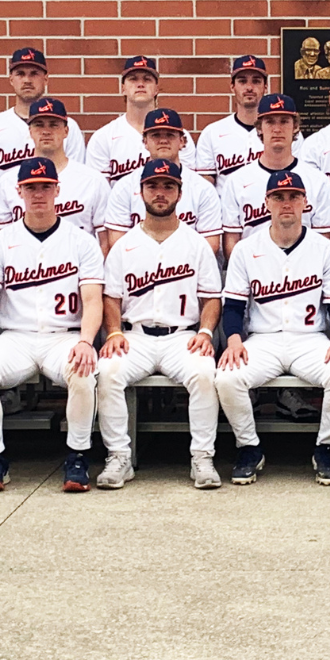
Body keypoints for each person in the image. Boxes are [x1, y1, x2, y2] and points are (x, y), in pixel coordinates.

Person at [0, 157, 106, 493]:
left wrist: (87, 341)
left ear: (57, 190)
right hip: (16, 337)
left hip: (64, 336)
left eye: (45, 186)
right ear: (19, 192)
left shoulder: (81, 240)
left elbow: (92, 300)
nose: (38, 193)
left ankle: (77, 455)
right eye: (31, 187)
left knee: (84, 370)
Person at [215, 170, 330, 485]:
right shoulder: (245, 249)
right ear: (267, 203)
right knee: (226, 378)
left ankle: (326, 447)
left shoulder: (325, 248)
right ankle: (249, 447)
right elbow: (234, 306)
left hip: (309, 340)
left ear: (305, 202)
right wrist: (235, 341)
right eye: (279, 197)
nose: (286, 203)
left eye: (294, 196)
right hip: (263, 341)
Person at [94, 159, 224, 489]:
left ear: (180, 192)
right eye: (153, 186)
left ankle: (202, 457)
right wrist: (113, 332)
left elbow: (211, 297)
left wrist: (206, 332)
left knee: (204, 373)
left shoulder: (195, 243)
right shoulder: (124, 245)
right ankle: (119, 456)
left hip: (182, 337)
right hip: (135, 336)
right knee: (108, 372)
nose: (160, 192)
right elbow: (111, 297)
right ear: (141, 192)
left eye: (168, 186)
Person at [0, 97, 108, 237]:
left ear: (66, 131)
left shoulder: (92, 181)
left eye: (54, 125)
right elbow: (1, 242)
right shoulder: (7, 182)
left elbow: (104, 243)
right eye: (39, 125)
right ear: (30, 131)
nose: (46, 131)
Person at [220, 94, 330, 251]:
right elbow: (231, 242)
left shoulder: (317, 180)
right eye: (270, 122)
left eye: (284, 121)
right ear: (259, 128)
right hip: (255, 268)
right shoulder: (236, 181)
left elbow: (323, 241)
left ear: (295, 126)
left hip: (303, 270)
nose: (277, 129)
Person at [100, 107, 223, 253]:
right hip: (139, 270)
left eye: (170, 135)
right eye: (156, 135)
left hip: (186, 271)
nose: (163, 140)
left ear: (182, 141)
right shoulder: (124, 187)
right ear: (145, 141)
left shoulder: (203, 189)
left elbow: (210, 245)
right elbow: (117, 244)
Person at [0, 46, 87, 182]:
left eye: (34, 73)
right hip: (5, 202)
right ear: (11, 79)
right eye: (20, 74)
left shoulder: (67, 126)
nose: (27, 80)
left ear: (46, 79)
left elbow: (76, 178)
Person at [83, 55, 195, 183]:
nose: (140, 84)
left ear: (156, 89)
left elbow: (188, 185)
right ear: (123, 88)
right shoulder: (103, 138)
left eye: (147, 79)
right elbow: (99, 191)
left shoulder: (178, 135)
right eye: (133, 79)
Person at [195, 54, 275, 188]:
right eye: (242, 81)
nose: (249, 87)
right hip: (226, 208)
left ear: (265, 87)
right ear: (232, 86)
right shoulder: (212, 133)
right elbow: (205, 189)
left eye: (256, 81)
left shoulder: (283, 133)